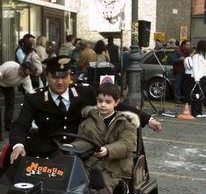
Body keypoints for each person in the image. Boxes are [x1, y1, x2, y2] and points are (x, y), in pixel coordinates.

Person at [9, 56, 162, 163]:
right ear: (47, 77)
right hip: (47, 150)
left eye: (64, 77)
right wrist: (18, 145)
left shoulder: (85, 92)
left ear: (70, 77)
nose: (60, 82)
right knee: (13, 162)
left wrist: (147, 119)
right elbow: (20, 124)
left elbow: (116, 105)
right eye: (55, 77)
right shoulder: (34, 98)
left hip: (81, 149)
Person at [70, 83, 138, 194]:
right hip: (91, 163)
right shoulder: (88, 121)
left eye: (108, 102)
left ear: (116, 103)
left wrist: (108, 150)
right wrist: (72, 146)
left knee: (103, 185)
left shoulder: (124, 123)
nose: (103, 105)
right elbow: (84, 140)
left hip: (114, 166)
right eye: (100, 101)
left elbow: (127, 144)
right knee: (74, 180)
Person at [0, 61, 35, 131]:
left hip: (9, 86)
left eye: (27, 75)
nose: (25, 76)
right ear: (21, 68)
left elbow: (29, 91)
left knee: (10, 105)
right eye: (24, 74)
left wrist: (34, 101)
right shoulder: (10, 67)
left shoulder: (26, 77)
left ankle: (8, 125)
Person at [191, 40, 206, 118]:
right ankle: (195, 112)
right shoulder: (196, 56)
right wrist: (197, 79)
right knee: (196, 95)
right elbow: (195, 68)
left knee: (201, 95)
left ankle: (200, 112)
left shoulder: (205, 55)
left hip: (204, 77)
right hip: (198, 78)